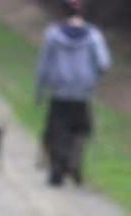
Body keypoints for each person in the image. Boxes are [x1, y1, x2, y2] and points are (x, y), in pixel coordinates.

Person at [36, 0, 111, 186]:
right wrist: (93, 78)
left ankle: (57, 170)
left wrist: (40, 90)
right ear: (82, 12)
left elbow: (44, 64)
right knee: (80, 130)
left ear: (63, 11)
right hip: (83, 93)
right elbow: (104, 63)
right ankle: (73, 162)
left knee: (57, 131)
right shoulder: (94, 35)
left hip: (60, 91)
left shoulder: (53, 35)